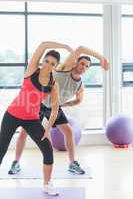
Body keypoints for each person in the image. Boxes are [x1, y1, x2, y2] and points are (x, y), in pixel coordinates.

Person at [8, 45, 109, 176]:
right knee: (24, 132)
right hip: (38, 103)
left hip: (54, 106)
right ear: (76, 63)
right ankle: (16, 162)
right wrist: (101, 57)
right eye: (82, 63)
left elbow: (79, 100)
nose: (83, 67)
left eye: (87, 66)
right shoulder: (64, 69)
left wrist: (64, 104)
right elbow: (80, 49)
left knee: (68, 131)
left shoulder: (80, 85)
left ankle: (73, 163)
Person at [0, 41, 73, 196]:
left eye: (53, 64)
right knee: (2, 148)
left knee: (47, 149)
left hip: (31, 119)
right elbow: (44, 45)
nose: (48, 65)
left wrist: (47, 129)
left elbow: (54, 109)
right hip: (12, 115)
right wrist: (66, 47)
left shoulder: (53, 84)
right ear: (42, 60)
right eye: (47, 61)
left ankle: (47, 185)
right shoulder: (31, 70)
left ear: (55, 67)